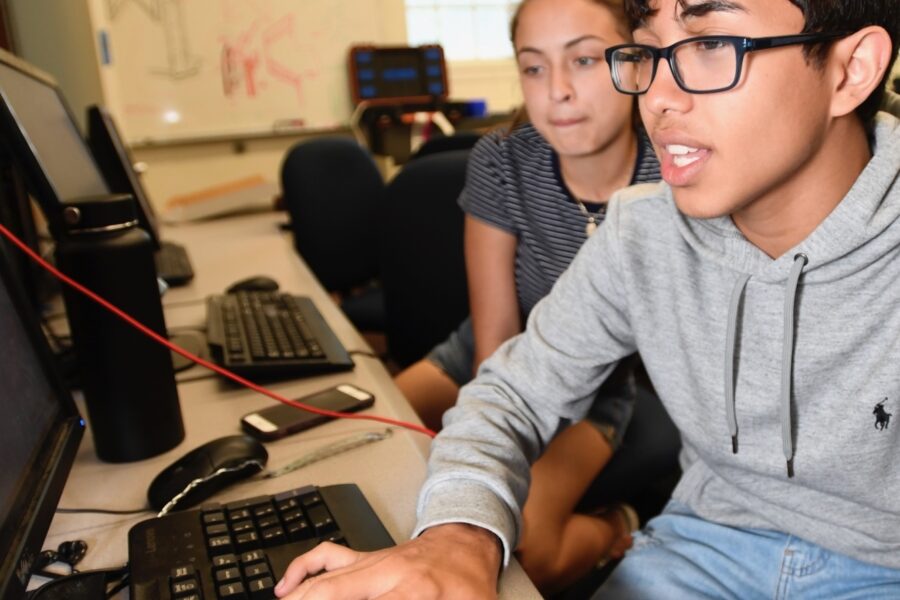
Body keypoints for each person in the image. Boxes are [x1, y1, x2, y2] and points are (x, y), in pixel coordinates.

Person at [275, 0, 900, 597]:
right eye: (650, 54)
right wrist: (459, 534)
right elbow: (510, 390)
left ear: (851, 70)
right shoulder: (641, 230)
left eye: (711, 44)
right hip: (707, 544)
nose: (656, 98)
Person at [393, 0, 674, 592]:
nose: (558, 92)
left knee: (527, 548)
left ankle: (619, 525)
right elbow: (493, 349)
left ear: (637, 62)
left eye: (585, 60)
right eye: (534, 68)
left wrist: (520, 474)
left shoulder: (673, 167)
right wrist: (482, 458)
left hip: (600, 381)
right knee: (360, 438)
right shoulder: (501, 159)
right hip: (492, 351)